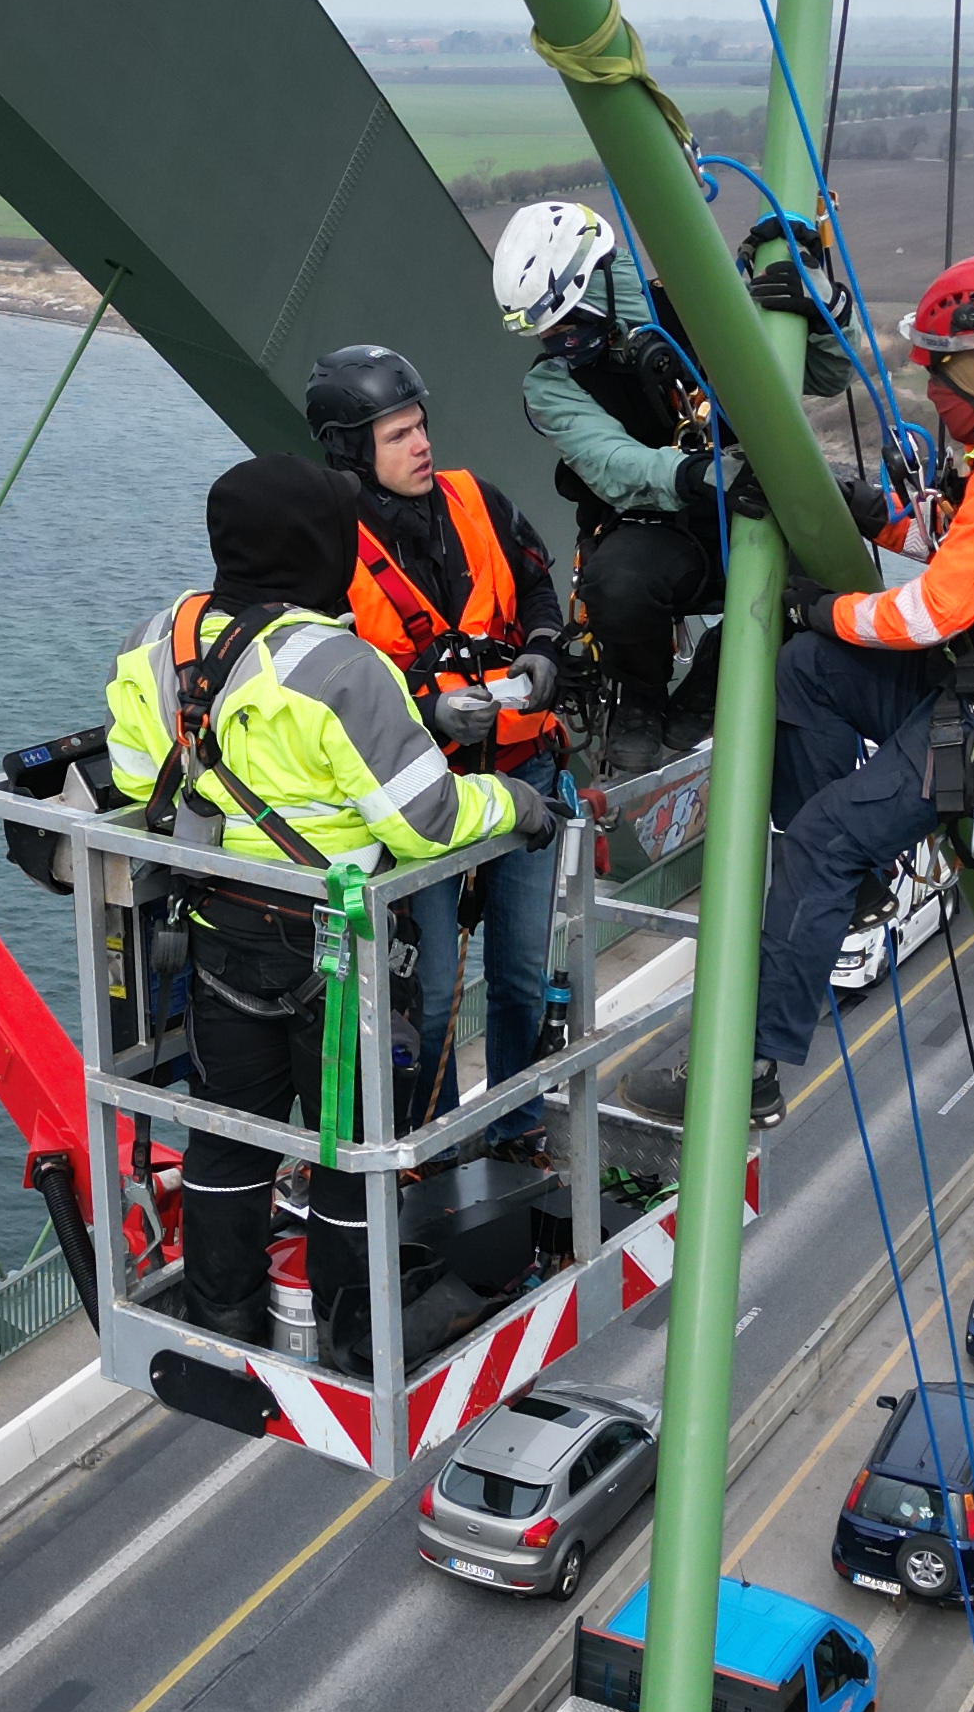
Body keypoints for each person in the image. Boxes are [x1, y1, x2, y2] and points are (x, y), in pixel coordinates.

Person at [628, 253, 974, 1128]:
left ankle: (748, 1067)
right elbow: (965, 547)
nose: (930, 391)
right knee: (806, 672)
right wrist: (868, 511)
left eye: (938, 371)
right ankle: (861, 881)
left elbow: (927, 610)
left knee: (822, 839)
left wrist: (821, 606)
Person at [105, 454, 559, 1347]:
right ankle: (355, 1327)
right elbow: (428, 820)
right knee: (349, 1146)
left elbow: (131, 778)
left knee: (229, 1135)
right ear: (317, 548)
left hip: (214, 933)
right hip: (336, 952)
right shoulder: (342, 666)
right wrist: (518, 803)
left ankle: (223, 1311)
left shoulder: (157, 642)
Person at [305, 344, 568, 1157]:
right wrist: (429, 708)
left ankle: (518, 1124)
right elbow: (322, 681)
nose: (421, 445)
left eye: (420, 426)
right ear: (353, 451)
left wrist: (543, 650)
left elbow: (536, 586)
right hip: (420, 798)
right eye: (397, 435)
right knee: (433, 995)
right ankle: (439, 1146)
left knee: (521, 977)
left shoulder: (476, 500)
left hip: (521, 769)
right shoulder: (328, 551)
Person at [497, 197, 727, 760]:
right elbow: (611, 462)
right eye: (547, 332)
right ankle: (639, 694)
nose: (559, 341)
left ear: (599, 288)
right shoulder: (551, 384)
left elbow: (822, 372)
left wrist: (821, 299)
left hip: (738, 509)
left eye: (567, 324)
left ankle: (714, 677)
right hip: (655, 528)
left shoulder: (696, 312)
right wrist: (697, 473)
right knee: (616, 585)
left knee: (815, 583)